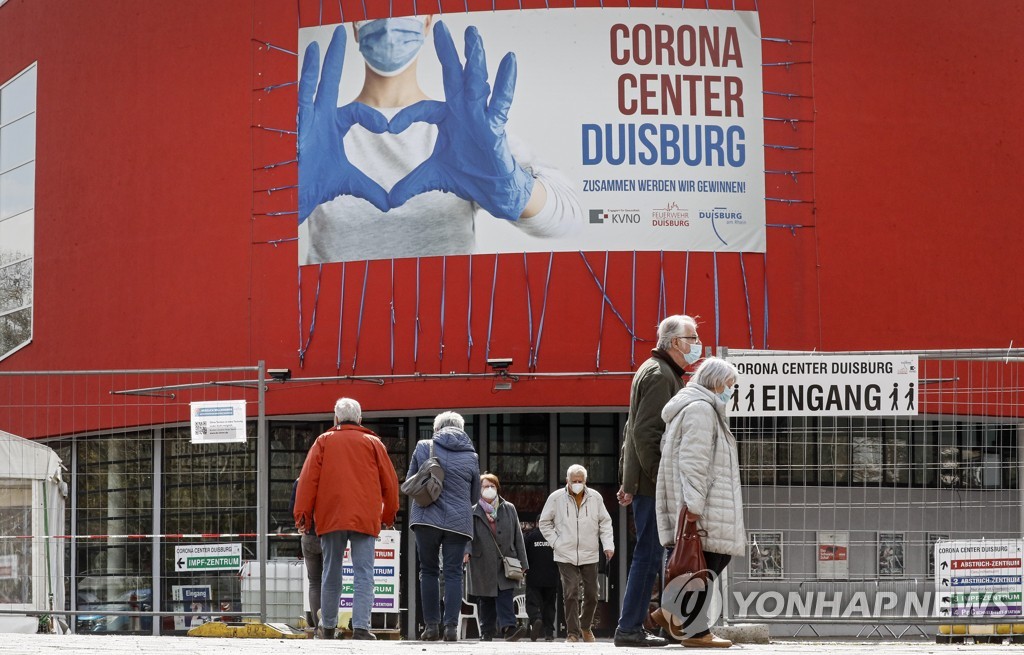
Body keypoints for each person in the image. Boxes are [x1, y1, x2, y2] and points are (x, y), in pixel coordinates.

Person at [297, 17, 584, 263]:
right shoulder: (316, 140)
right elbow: (255, 243)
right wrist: (281, 207)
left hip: (450, 325)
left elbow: (571, 218)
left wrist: (515, 190)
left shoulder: (463, 131)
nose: (388, 19)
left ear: (428, 19)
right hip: (334, 325)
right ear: (355, 25)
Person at [615, 314, 703, 648]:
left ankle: (640, 625)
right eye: (692, 338)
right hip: (654, 485)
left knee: (653, 554)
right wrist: (658, 479)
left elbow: (631, 429)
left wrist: (628, 478)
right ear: (675, 343)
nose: (696, 344)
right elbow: (644, 432)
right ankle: (629, 628)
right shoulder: (659, 375)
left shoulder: (660, 372)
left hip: (649, 483)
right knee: (649, 555)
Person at [293, 398, 400, 640]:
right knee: (364, 573)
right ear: (360, 420)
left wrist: (303, 516)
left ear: (336, 418)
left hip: (331, 517)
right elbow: (390, 483)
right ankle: (361, 628)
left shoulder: (323, 442)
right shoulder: (373, 443)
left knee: (331, 572)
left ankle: (328, 627)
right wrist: (388, 514)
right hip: (364, 517)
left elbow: (307, 481)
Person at [656, 357, 744, 648]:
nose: (731, 391)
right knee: (705, 564)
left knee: (705, 562)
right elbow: (693, 461)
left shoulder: (696, 408)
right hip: (704, 503)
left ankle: (674, 613)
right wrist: (693, 506)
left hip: (706, 501)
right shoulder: (702, 410)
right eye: (730, 385)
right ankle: (693, 629)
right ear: (717, 383)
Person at [407, 411, 481, 642]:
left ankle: (431, 627)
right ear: (461, 429)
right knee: (453, 573)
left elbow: (411, 481)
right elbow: (475, 495)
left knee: (428, 571)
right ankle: (451, 628)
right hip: (458, 522)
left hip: (426, 518)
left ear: (437, 428)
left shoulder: (423, 446)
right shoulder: (472, 456)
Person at [539, 464, 614, 643]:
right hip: (565, 553)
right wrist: (557, 543)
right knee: (570, 591)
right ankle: (572, 633)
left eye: (581, 481)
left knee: (592, 593)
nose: (578, 484)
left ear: (585, 481)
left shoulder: (596, 498)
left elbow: (605, 522)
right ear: (567, 481)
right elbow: (544, 522)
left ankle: (585, 626)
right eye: (574, 481)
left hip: (590, 552)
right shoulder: (556, 498)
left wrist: (608, 545)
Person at [466, 473, 529, 641]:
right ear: (479, 490)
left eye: (492, 486)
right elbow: (467, 535)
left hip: (506, 560)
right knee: (485, 596)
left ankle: (509, 628)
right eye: (485, 486)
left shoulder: (509, 508)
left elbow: (518, 536)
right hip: (482, 561)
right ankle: (487, 631)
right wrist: (466, 551)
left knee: (505, 593)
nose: (489, 489)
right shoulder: (473, 511)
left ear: (497, 488)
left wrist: (523, 562)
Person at [289, 477, 323, 629]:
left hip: (308, 535)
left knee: (314, 582)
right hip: (329, 535)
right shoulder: (330, 479)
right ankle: (329, 623)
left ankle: (318, 627)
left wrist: (300, 524)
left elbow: (292, 509)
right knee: (331, 580)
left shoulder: (300, 481)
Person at [521, 515, 558, 642]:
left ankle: (536, 618)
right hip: (551, 577)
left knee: (532, 603)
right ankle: (548, 633)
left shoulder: (530, 537)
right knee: (549, 606)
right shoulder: (555, 537)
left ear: (537, 523)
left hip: (533, 578)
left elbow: (523, 555)